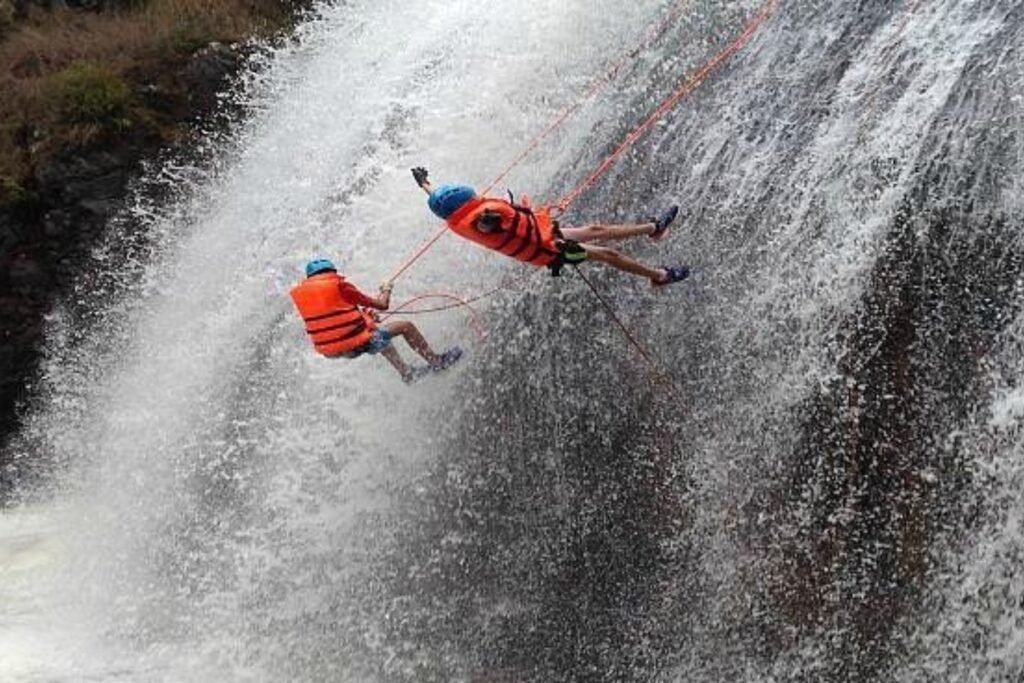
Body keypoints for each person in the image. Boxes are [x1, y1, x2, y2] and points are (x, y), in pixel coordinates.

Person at [411, 167, 690, 286]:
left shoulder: (454, 216)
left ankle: (653, 228)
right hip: (553, 250)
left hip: (546, 235)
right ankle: (659, 276)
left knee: (595, 229)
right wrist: (489, 222)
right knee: (608, 255)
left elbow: (439, 200)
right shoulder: (479, 219)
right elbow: (485, 225)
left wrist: (425, 183)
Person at [289, 258, 462, 384]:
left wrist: (366, 316)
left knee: (378, 334)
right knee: (405, 327)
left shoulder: (301, 295)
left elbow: (332, 318)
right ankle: (436, 362)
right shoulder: (340, 286)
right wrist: (386, 289)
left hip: (331, 352)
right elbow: (383, 305)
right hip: (355, 345)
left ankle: (406, 372)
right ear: (332, 272)